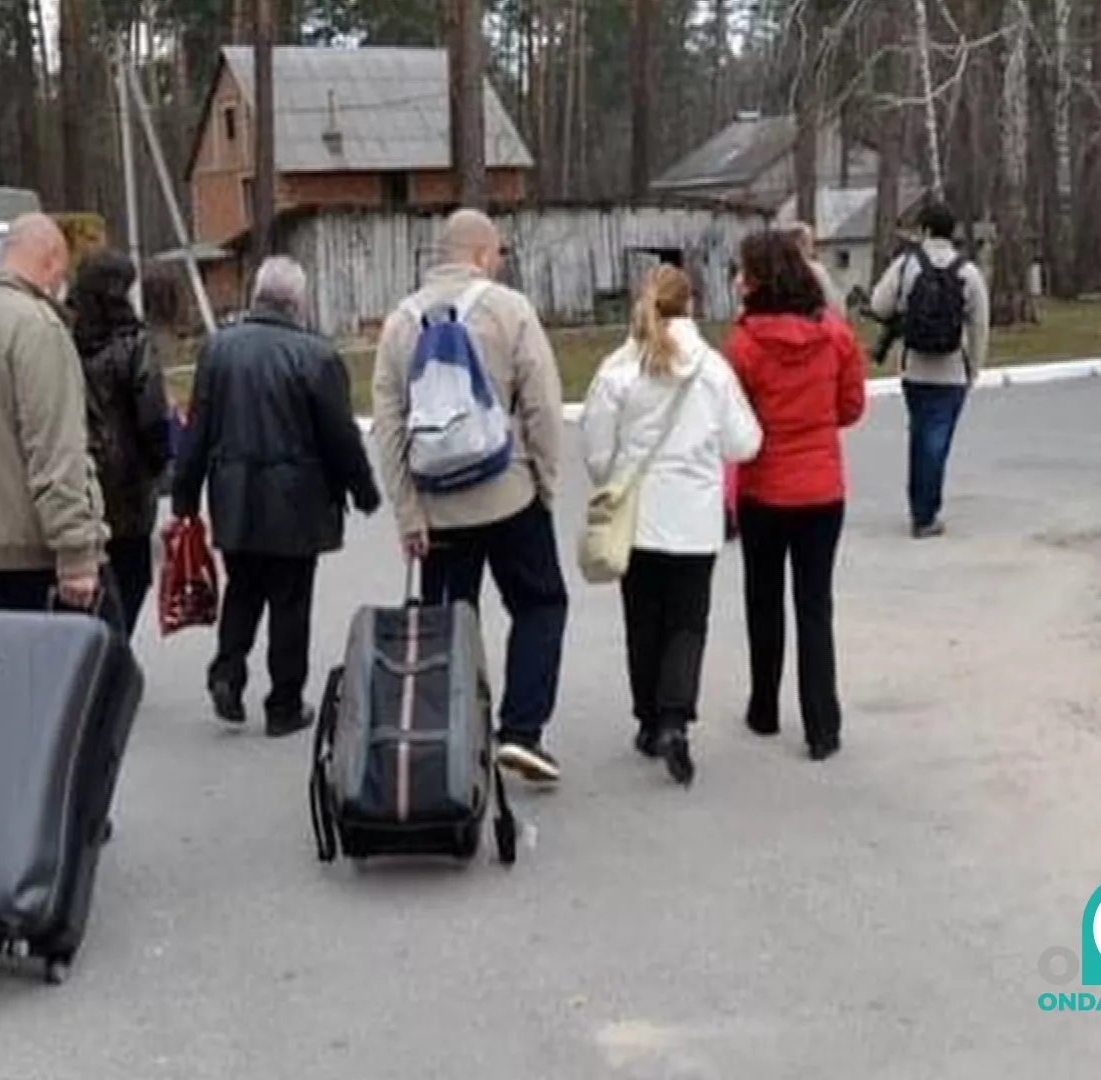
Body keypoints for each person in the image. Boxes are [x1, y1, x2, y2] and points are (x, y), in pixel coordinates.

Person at [371, 208, 568, 784]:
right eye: (499, 253)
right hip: (508, 494)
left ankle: (450, 740)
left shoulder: (400, 324)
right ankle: (522, 732)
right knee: (539, 605)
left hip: (436, 508)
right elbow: (543, 407)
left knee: (450, 626)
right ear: (483, 254)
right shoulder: (510, 310)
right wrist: (545, 484)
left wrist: (408, 513)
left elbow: (389, 428)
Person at [172, 257, 380, 738]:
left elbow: (198, 430)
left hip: (233, 493)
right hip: (297, 498)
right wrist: (362, 489)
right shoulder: (316, 356)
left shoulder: (217, 351)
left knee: (242, 589)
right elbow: (339, 436)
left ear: (256, 296)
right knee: (290, 601)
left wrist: (185, 495)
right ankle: (283, 703)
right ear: (296, 302)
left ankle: (227, 672)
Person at [581, 265, 761, 786]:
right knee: (687, 622)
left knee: (643, 621)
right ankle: (675, 718)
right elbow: (744, 443)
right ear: (692, 305)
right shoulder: (713, 370)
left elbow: (597, 451)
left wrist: (618, 473)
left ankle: (646, 719)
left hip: (637, 517)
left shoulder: (618, 370)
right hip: (695, 518)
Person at [724, 229, 867, 763]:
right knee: (814, 605)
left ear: (758, 278)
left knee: (763, 599)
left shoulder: (742, 345)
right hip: (822, 489)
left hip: (764, 487)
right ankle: (822, 724)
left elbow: (733, 421)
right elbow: (851, 407)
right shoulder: (835, 335)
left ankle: (764, 706)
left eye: (743, 271)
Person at [0, 212, 112, 619]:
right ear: (50, 260)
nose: (60, 285)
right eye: (61, 272)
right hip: (39, 550)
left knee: (18, 675)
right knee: (102, 673)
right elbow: (56, 449)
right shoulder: (38, 328)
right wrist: (76, 553)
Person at [868, 203, 991, 539]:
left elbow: (879, 304)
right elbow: (980, 326)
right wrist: (974, 369)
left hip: (914, 369)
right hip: (952, 371)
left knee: (921, 436)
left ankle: (920, 507)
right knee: (938, 441)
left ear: (923, 231)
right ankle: (925, 513)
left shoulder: (906, 264)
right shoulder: (968, 272)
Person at [70, 250, 172, 637]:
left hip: (80, 469)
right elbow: (151, 412)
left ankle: (94, 647)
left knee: (90, 571)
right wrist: (161, 460)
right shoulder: (134, 342)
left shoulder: (63, 339)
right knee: (131, 572)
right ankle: (112, 650)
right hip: (128, 475)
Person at [787, 221, 848, 317]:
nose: (812, 249)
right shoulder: (814, 270)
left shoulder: (772, 271)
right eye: (811, 243)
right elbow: (833, 304)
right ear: (801, 243)